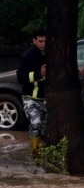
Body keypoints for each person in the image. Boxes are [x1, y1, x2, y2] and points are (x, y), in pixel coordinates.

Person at [16, 28, 47, 157]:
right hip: (31, 98)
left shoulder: (53, 53)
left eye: (45, 41)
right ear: (34, 41)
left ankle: (46, 152)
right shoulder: (27, 56)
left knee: (47, 127)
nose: (43, 44)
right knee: (36, 123)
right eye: (40, 41)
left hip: (48, 98)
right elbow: (21, 78)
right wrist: (39, 74)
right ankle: (35, 153)